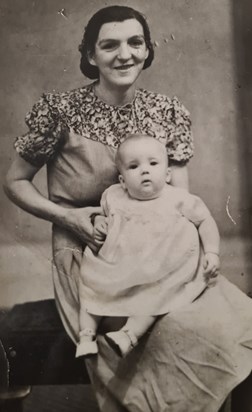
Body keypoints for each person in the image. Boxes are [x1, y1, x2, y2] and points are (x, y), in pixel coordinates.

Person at [3, 5, 252, 411]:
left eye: (135, 42)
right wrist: (68, 218)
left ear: (148, 49)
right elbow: (13, 183)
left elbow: (180, 206)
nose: (124, 54)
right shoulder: (59, 112)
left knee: (230, 322)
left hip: (161, 254)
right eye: (109, 45)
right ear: (89, 55)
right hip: (89, 259)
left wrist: (187, 265)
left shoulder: (167, 112)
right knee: (169, 333)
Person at [76, 135, 220, 358]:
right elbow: (102, 215)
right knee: (93, 288)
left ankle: (128, 335)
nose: (144, 171)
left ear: (167, 174)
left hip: (159, 268)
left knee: (156, 297)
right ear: (122, 181)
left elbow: (205, 221)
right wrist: (99, 223)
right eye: (134, 166)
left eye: (153, 164)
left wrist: (212, 251)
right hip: (119, 263)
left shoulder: (178, 198)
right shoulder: (114, 196)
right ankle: (85, 336)